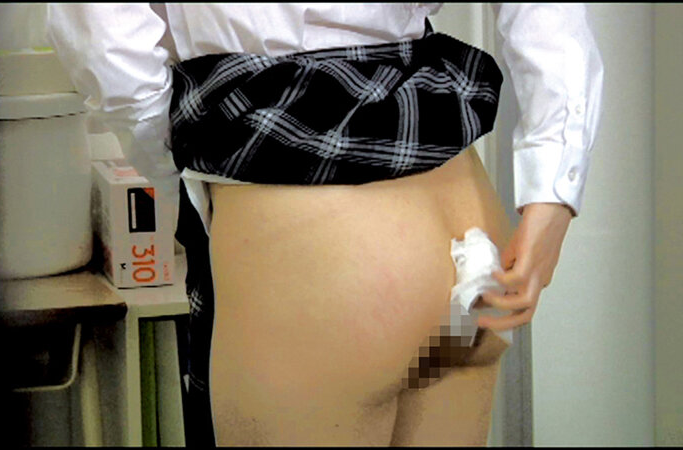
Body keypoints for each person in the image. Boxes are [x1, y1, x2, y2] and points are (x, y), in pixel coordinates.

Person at [47, 3, 603, 446]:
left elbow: (103, 37)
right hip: (467, 224)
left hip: (319, 258)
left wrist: (181, 168)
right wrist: (554, 187)